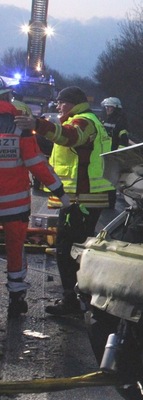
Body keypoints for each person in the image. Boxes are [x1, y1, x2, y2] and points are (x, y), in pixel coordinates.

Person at [15, 86, 115, 316]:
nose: (58, 106)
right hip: (83, 198)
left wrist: (38, 124)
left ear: (72, 103)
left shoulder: (83, 121)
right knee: (76, 249)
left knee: (67, 249)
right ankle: (81, 298)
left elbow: (69, 137)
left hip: (82, 198)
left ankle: (74, 301)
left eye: (61, 102)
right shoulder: (87, 120)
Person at [0, 78, 70, 318]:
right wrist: (60, 192)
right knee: (15, 249)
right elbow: (36, 164)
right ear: (8, 97)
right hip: (15, 205)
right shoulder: (20, 125)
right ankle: (17, 298)